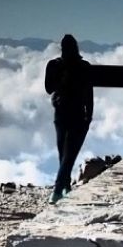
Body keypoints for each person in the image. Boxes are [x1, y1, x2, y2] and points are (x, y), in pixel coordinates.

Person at [45, 34, 93, 203]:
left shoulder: (54, 65)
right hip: (78, 114)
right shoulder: (83, 67)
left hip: (62, 113)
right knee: (67, 154)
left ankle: (59, 189)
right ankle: (62, 187)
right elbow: (89, 94)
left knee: (65, 154)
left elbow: (48, 88)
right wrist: (89, 116)